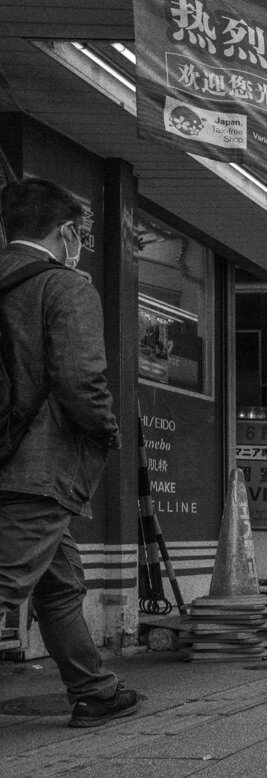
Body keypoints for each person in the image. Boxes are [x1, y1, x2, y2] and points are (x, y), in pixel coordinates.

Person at [0, 178, 142, 728]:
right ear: (64, 232)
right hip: (38, 467)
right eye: (78, 232)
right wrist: (107, 431)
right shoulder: (65, 286)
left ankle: (94, 690)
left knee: (59, 583)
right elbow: (82, 380)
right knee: (8, 581)